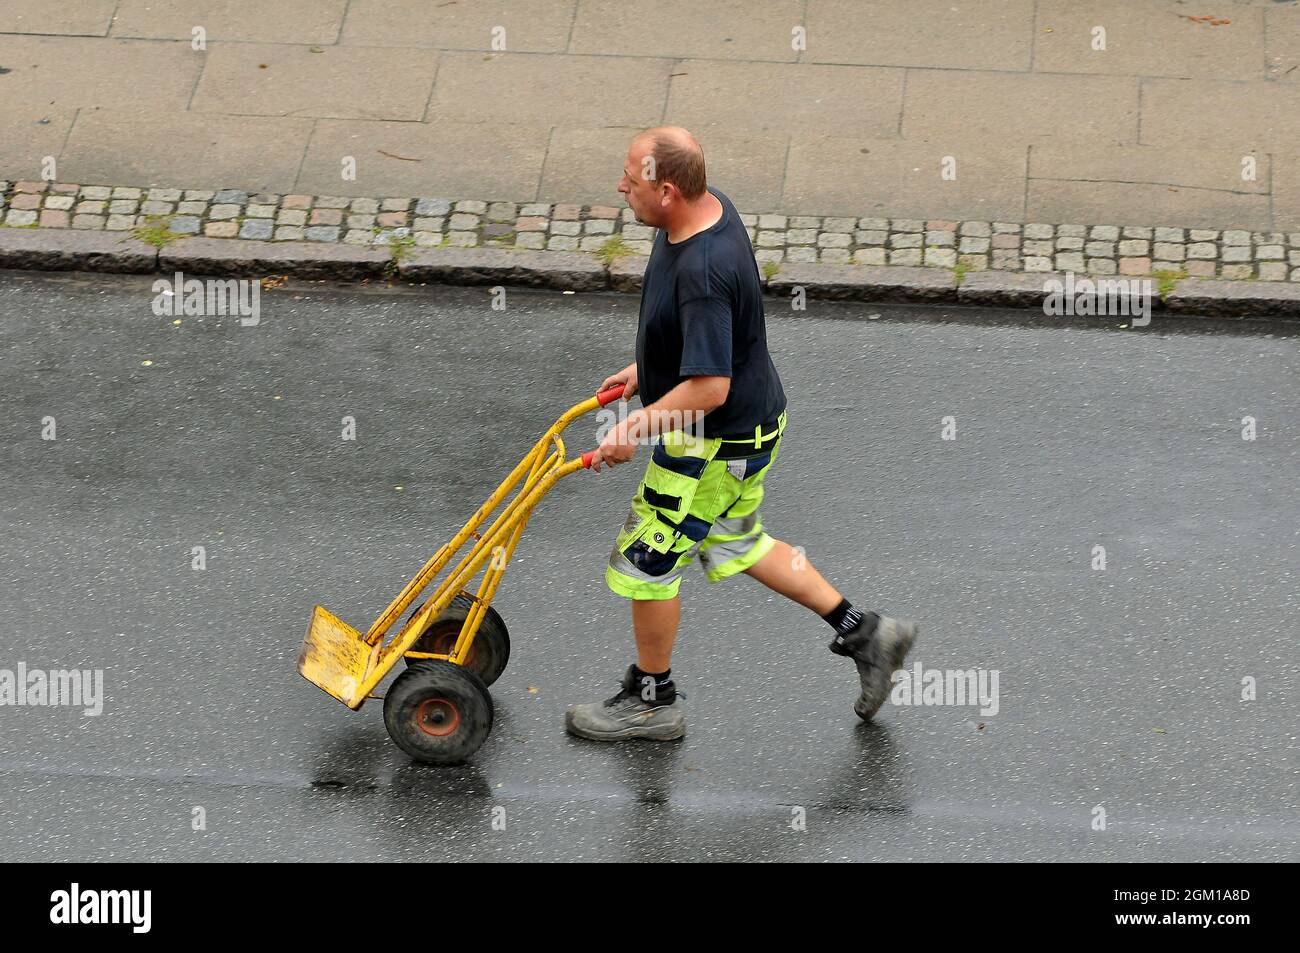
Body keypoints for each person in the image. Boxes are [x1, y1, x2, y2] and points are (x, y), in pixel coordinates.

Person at [566, 126, 917, 742]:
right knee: (736, 541)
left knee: (648, 561)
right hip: (749, 427)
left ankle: (653, 701)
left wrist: (636, 426)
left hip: (714, 440)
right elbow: (699, 345)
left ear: (668, 190)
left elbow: (710, 387)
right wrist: (646, 372)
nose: (621, 187)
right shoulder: (706, 209)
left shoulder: (703, 269)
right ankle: (867, 632)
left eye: (631, 179)